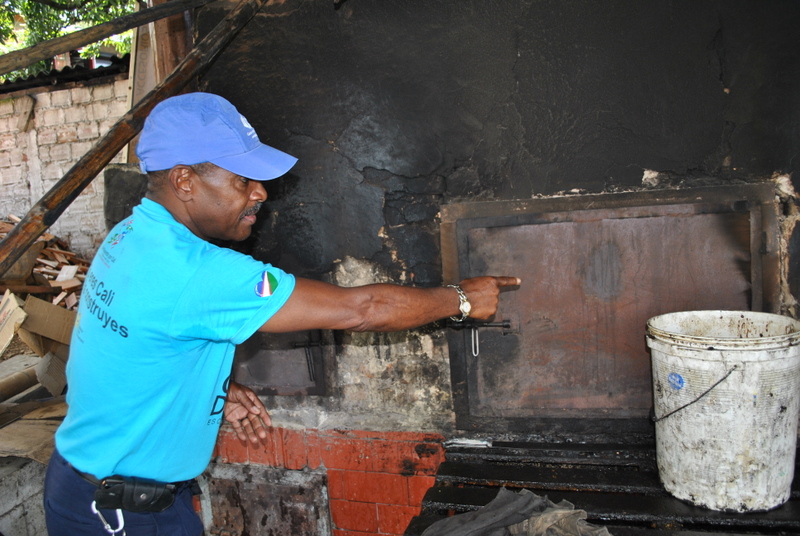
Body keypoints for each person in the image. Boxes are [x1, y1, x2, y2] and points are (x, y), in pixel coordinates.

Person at [42, 92, 520, 536]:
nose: (261, 193)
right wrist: (460, 299)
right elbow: (362, 309)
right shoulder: (198, 271)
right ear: (184, 180)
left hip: (97, 487)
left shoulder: (130, 235)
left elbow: (128, 345)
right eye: (242, 180)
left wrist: (206, 386)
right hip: (122, 514)